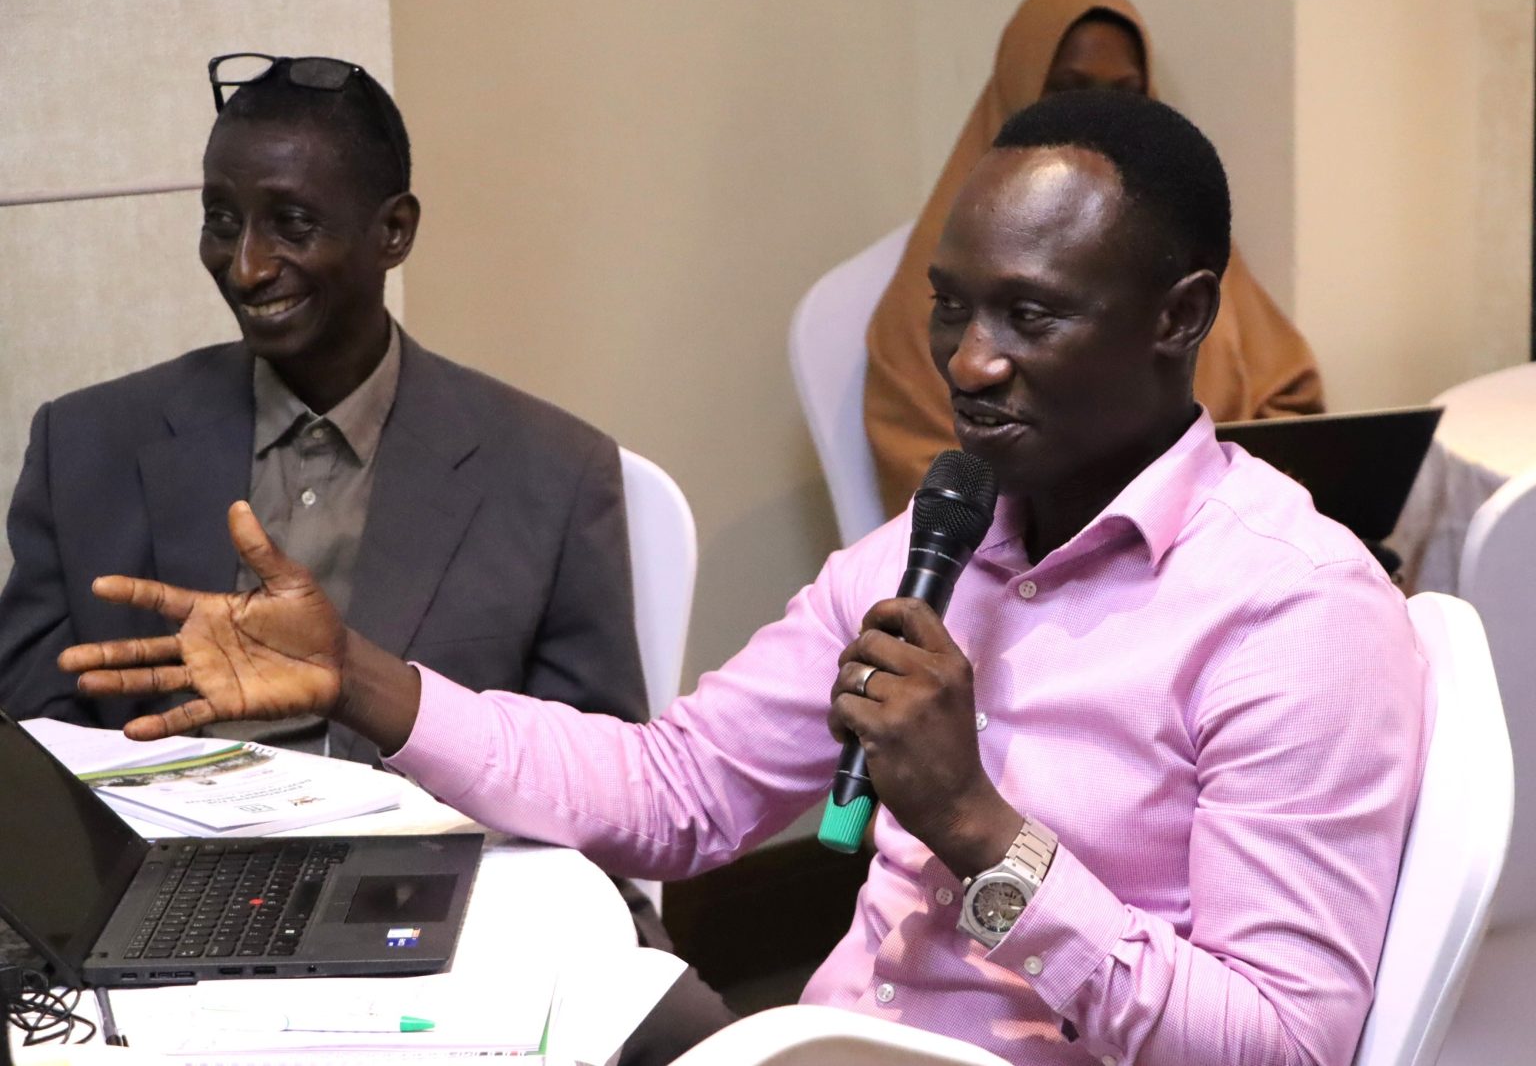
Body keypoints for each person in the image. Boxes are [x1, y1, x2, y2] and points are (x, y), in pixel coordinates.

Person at [65, 90, 1426, 1066]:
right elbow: (679, 791)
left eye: (1032, 313)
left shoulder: (1293, 614)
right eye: (953, 303)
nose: (968, 361)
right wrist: (363, 679)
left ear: (1181, 317)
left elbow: (1279, 1042)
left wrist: (975, 827)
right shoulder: (937, 542)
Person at [0, 54, 732, 1064]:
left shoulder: (550, 471)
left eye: (291, 224)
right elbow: (26, 767)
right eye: (221, 220)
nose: (246, 265)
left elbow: (595, 784)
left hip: (450, 907)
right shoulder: (89, 444)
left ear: (394, 231)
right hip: (168, 920)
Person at [865, 0, 1325, 515]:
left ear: (1186, 312)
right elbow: (922, 473)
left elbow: (1290, 404)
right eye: (1068, 89)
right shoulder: (945, 261)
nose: (1097, 115)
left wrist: (1215, 510)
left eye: (1124, 92)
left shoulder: (1177, 244)